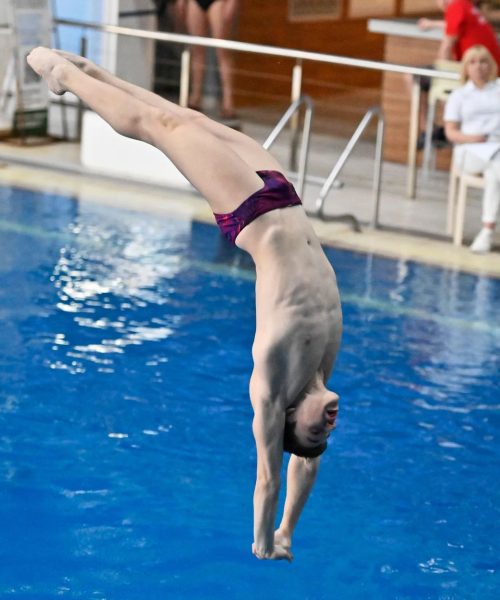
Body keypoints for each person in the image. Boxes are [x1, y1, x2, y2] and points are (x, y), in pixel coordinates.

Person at [26, 47, 343, 560]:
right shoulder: (322, 364)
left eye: (314, 429)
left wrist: (265, 540)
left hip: (250, 214)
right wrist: (290, 530)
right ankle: (94, 72)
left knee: (161, 126)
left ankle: (67, 77)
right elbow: (308, 461)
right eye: (326, 431)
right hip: (284, 198)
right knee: (191, 119)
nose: (328, 424)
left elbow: (272, 475)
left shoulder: (271, 382)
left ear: (288, 416)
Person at [415, 0, 500, 147]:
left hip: (477, 72)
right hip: (490, 70)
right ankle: (439, 129)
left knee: (414, 77)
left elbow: (446, 47)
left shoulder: (456, 6)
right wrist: (431, 24)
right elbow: (456, 25)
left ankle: (429, 132)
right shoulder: (465, 5)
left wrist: (440, 75)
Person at [444, 44, 500, 252]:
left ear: (491, 65)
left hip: (495, 149)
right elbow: (450, 132)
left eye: (483, 61)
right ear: (466, 67)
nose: (479, 67)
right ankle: (487, 232)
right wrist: (473, 138)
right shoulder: (459, 95)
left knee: (495, 173)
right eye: (473, 62)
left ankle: (487, 231)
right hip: (470, 150)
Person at [181, 0, 240, 124]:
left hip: (219, 2)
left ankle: (228, 101)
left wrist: (232, 3)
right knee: (197, 50)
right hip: (195, 3)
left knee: (222, 51)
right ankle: (195, 96)